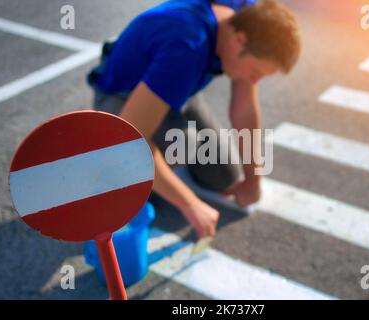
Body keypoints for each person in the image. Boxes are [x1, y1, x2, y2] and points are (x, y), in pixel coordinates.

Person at [87, 0, 301, 239]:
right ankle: (107, 152)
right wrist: (190, 204)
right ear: (239, 40)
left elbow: (244, 110)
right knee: (177, 148)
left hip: (176, 86)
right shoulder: (186, 47)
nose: (255, 81)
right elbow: (129, 139)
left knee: (224, 176)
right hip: (123, 92)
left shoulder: (248, 17)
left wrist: (253, 178)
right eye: (256, 73)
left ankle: (158, 171)